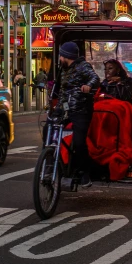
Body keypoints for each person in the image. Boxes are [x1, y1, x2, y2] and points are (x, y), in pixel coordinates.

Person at [52, 42, 100, 188]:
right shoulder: (63, 69)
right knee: (49, 130)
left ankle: (85, 173)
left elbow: (95, 78)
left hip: (80, 110)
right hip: (64, 109)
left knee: (79, 142)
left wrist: (88, 86)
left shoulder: (82, 66)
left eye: (61, 55)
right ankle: (50, 163)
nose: (59, 58)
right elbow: (61, 90)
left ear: (66, 56)